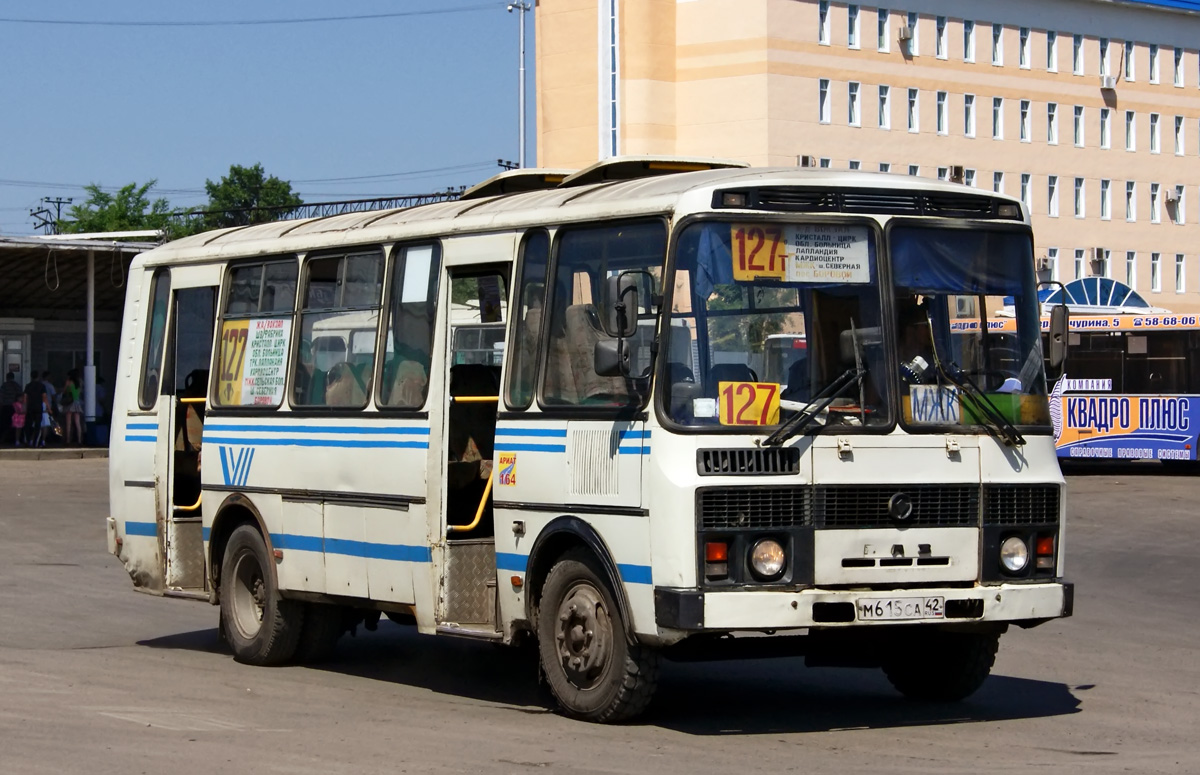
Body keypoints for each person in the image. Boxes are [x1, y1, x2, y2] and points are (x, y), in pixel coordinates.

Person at [22, 376, 46, 447]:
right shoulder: (41, 386)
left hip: (30, 407)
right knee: (37, 425)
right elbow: (44, 396)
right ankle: (36, 442)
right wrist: (48, 407)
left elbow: (25, 397)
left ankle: (28, 440)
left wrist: (24, 407)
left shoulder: (28, 386)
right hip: (38, 407)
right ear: (38, 377)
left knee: (28, 425)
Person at [60, 373, 83, 445]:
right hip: (77, 403)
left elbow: (64, 391)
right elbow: (79, 393)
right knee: (77, 423)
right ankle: (79, 440)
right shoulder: (78, 384)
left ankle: (68, 440)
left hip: (70, 403)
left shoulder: (69, 382)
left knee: (68, 422)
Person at [0, 372, 20, 444]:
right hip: (15, 407)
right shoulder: (17, 385)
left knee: (5, 423)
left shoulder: (4, 385)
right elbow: (20, 395)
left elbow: (1, 397)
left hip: (6, 406)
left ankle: (3, 439)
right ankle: (15, 439)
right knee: (15, 423)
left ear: (7, 377)